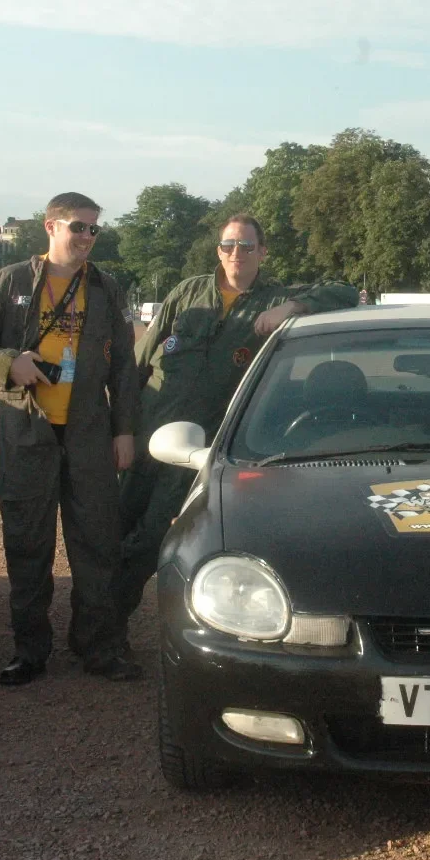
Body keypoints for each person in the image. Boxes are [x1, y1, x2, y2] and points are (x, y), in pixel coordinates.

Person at [115, 214, 357, 622]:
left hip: (194, 446)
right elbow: (137, 365)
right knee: (114, 526)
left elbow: (344, 293)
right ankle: (94, 628)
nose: (236, 253)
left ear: (262, 252)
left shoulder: (273, 300)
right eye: (228, 245)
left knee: (152, 533)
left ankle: (108, 626)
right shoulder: (187, 292)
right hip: (146, 431)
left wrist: (293, 307)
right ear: (218, 250)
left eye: (246, 246)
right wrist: (120, 428)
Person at [0, 192, 142, 686]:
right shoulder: (10, 280)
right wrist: (7, 363)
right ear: (51, 226)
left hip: (88, 433)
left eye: (93, 230)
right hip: (25, 429)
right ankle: (29, 650)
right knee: (26, 543)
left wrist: (124, 431)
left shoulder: (105, 287)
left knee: (97, 544)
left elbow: (123, 366)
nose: (86, 238)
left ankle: (97, 646)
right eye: (78, 227)